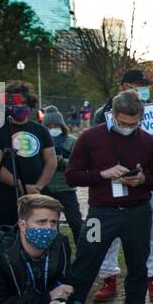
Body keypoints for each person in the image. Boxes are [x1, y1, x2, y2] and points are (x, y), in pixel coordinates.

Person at [65, 90, 153, 304]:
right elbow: (72, 176)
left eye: (134, 124)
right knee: (84, 265)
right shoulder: (90, 137)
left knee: (138, 269)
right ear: (112, 115)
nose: (127, 128)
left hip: (137, 213)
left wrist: (143, 179)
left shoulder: (148, 142)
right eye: (122, 123)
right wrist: (102, 174)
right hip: (101, 213)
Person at [90, 69, 153, 304]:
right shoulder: (101, 114)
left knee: (151, 231)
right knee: (109, 235)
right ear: (123, 86)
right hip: (111, 185)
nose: (142, 89)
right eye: (136, 85)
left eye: (144, 85)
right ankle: (108, 277)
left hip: (145, 184)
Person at [0, 81, 57, 228]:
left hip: (38, 192)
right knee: (8, 237)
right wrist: (21, 186)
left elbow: (51, 160)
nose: (20, 107)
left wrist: (38, 187)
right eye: (15, 104)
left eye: (23, 103)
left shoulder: (40, 130)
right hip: (6, 195)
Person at [42, 107, 84, 253]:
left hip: (66, 187)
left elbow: (80, 163)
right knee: (49, 223)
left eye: (56, 126)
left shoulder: (72, 142)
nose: (53, 129)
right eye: (49, 127)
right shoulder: (41, 141)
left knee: (76, 222)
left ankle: (83, 252)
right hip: (45, 187)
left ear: (62, 126)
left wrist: (62, 162)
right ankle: (52, 253)